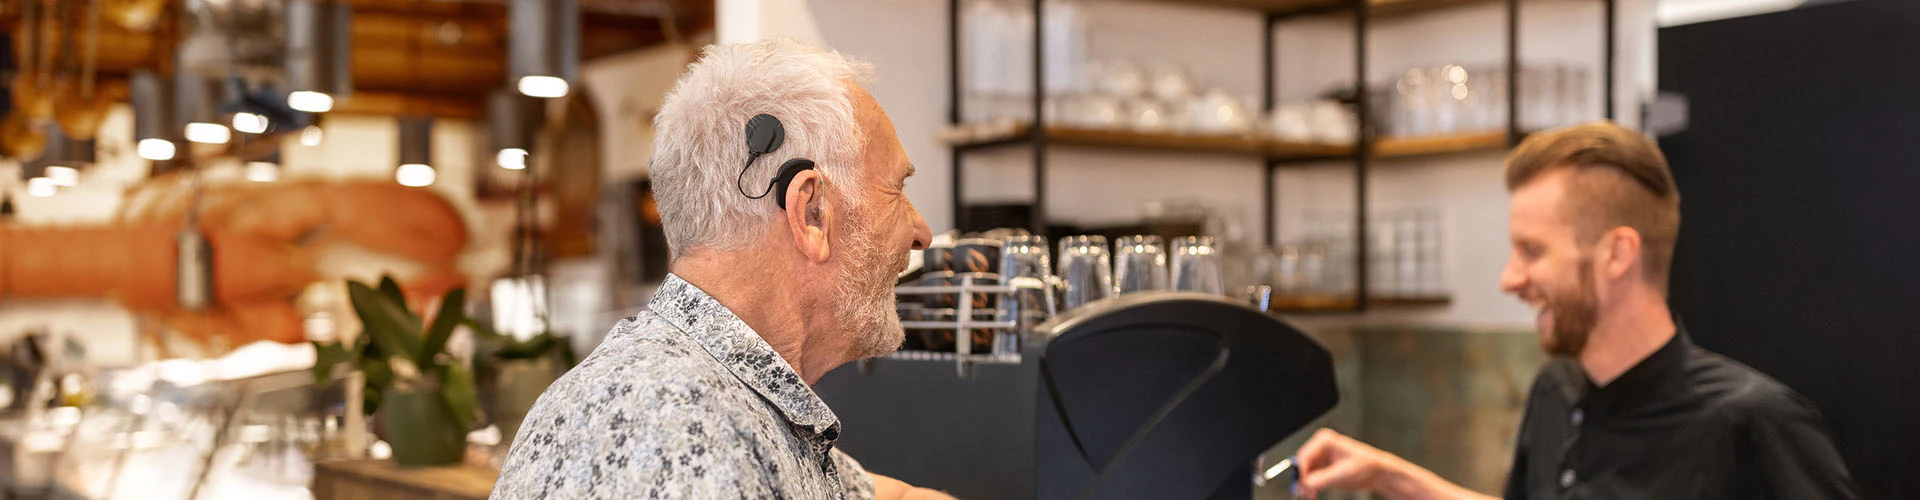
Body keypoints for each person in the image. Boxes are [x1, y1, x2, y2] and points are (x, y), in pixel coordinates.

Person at [1293, 122, 1861, 500]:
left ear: (1617, 253)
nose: (1509, 278)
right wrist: (1387, 475)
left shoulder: (1755, 424)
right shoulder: (1556, 391)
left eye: (1532, 251)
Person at [490, 39, 950, 499]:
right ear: (811, 214)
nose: (921, 232)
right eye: (896, 191)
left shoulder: (725, 399)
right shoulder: (679, 424)